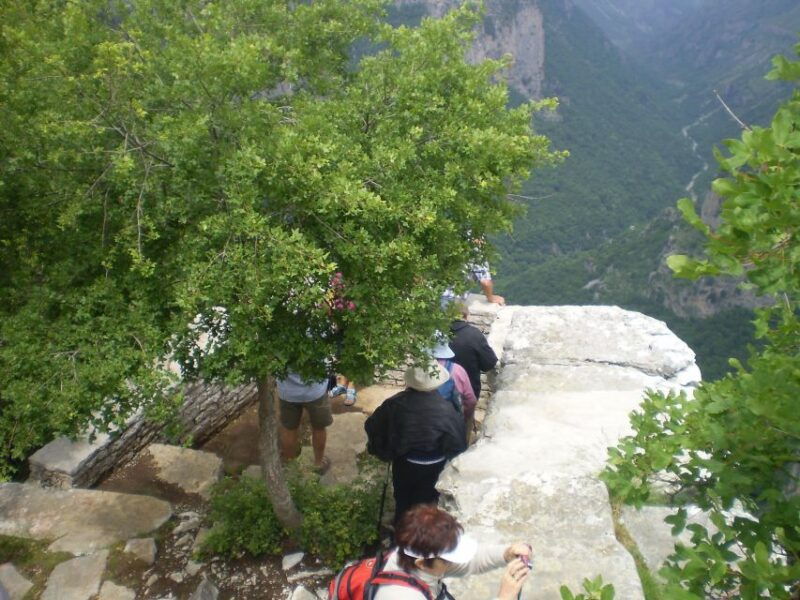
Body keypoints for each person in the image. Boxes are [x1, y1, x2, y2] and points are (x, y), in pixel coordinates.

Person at [365, 362, 467, 521]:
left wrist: (385, 449)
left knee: (403, 500)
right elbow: (457, 443)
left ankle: (400, 533)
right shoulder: (446, 409)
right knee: (426, 504)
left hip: (405, 463)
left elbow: (373, 426)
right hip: (435, 466)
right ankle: (420, 534)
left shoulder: (395, 404)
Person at [373, 504, 532, 600]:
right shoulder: (400, 596)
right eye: (448, 560)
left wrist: (506, 553)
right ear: (421, 563)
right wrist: (504, 597)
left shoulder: (411, 560)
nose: (454, 563)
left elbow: (471, 562)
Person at [278, 372, 333, 474]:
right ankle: (318, 463)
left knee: (289, 429)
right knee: (319, 427)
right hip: (316, 390)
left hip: (287, 391)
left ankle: (291, 467)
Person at [449, 302, 498, 401]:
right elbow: (489, 363)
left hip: (439, 390)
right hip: (467, 392)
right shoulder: (474, 335)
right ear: (466, 315)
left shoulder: (438, 334)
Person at [431, 340, 477, 429]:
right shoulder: (457, 370)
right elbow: (471, 401)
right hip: (450, 422)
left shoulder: (418, 370)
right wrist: (465, 417)